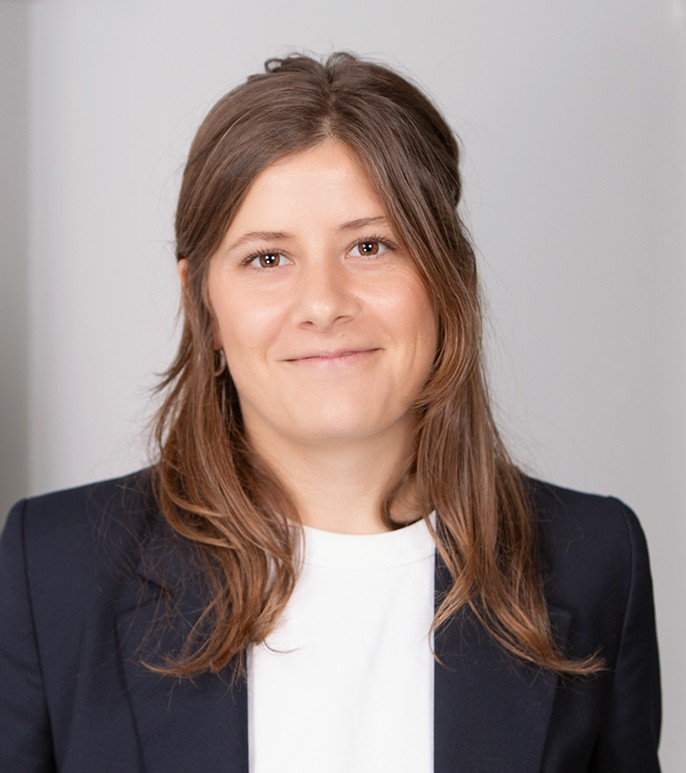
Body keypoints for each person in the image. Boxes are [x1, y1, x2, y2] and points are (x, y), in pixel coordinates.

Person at [0, 52, 660, 773]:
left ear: (446, 277)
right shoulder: (54, 567)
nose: (323, 304)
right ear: (201, 304)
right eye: (267, 259)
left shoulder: (595, 562)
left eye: (370, 246)